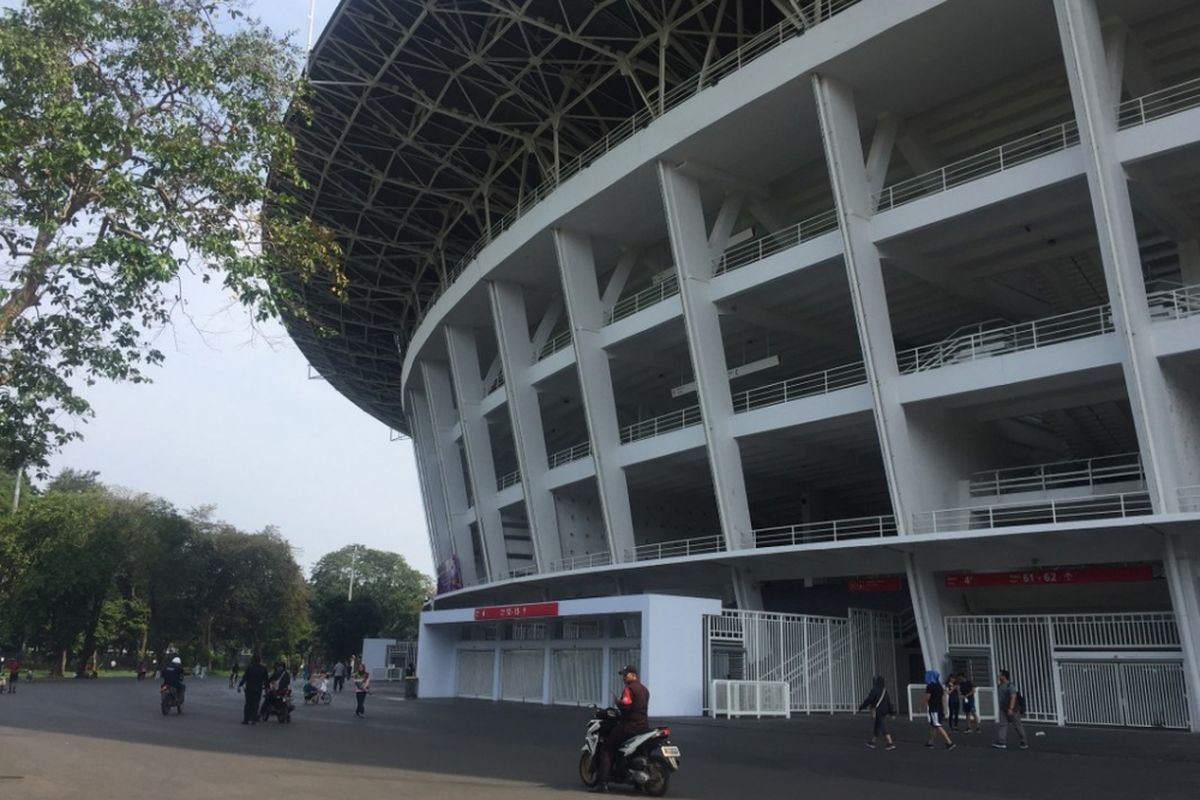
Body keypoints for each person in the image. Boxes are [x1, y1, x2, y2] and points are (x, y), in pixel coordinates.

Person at [592, 665, 650, 793]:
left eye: (625, 674)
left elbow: (626, 705)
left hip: (629, 727)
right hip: (644, 727)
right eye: (623, 675)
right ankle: (637, 782)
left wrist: (618, 703)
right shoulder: (644, 689)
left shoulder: (629, 689)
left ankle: (603, 783)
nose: (623, 677)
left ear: (633, 675)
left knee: (606, 749)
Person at [992, 669, 1029, 750]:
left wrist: (1010, 708)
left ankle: (1024, 741)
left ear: (1004, 676)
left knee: (1017, 725)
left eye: (1000, 675)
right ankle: (1001, 742)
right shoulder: (1000, 685)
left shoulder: (1010, 686)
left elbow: (1013, 697)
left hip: (1013, 709)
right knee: (1003, 725)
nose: (998, 676)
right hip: (1003, 708)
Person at [858, 675, 896, 750]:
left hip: (879, 710)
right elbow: (888, 702)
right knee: (877, 725)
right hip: (885, 710)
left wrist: (862, 706)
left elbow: (869, 699)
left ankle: (890, 743)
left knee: (882, 726)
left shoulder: (874, 690)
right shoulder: (885, 691)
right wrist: (892, 713)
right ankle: (872, 742)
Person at [922, 670, 955, 751]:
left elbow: (927, 697)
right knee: (933, 725)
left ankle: (949, 742)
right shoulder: (939, 686)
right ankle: (931, 742)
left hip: (934, 709)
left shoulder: (930, 686)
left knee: (937, 725)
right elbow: (942, 698)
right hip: (939, 708)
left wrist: (921, 706)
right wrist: (944, 709)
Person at [238, 655, 269, 725]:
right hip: (258, 689)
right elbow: (266, 680)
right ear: (260, 661)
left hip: (249, 689)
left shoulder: (249, 668)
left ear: (253, 660)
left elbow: (244, 678)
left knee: (248, 704)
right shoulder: (263, 669)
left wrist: (240, 685)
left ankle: (246, 720)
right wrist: (267, 689)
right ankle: (253, 720)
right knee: (256, 704)